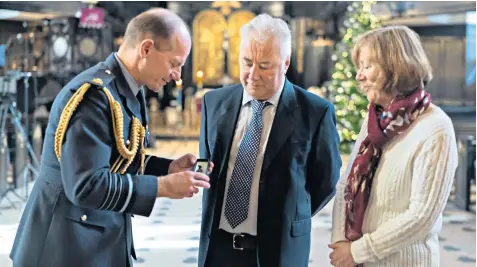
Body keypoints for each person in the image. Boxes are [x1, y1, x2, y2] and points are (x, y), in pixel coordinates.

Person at [10, 8, 212, 267]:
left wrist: (167, 168)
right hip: (63, 248)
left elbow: (118, 157)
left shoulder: (126, 89)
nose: (177, 75)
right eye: (174, 63)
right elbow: (86, 185)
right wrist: (163, 187)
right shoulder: (95, 97)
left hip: (95, 241)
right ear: (146, 49)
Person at [198, 14, 342, 267]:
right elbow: (206, 164)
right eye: (246, 63)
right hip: (218, 249)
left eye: (264, 65)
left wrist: (290, 215)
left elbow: (326, 182)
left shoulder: (315, 112)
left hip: (279, 250)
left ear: (285, 63)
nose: (253, 74)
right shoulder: (214, 103)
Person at [329, 25, 458, 267]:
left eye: (367, 66)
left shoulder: (435, 127)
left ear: (395, 67)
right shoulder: (376, 120)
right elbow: (346, 183)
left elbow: (421, 217)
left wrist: (358, 251)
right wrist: (340, 241)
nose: (359, 76)